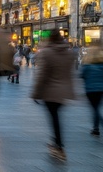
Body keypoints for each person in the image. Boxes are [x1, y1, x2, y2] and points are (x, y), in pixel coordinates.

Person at [31, 28, 75, 161]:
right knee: (56, 117)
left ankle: (59, 146)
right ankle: (56, 143)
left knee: (54, 117)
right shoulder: (69, 53)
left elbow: (42, 75)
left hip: (50, 91)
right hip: (64, 91)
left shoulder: (47, 53)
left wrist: (36, 93)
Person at [79, 44, 103, 143]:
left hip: (90, 90)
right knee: (96, 109)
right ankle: (95, 129)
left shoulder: (87, 65)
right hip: (102, 90)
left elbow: (82, 75)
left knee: (96, 110)